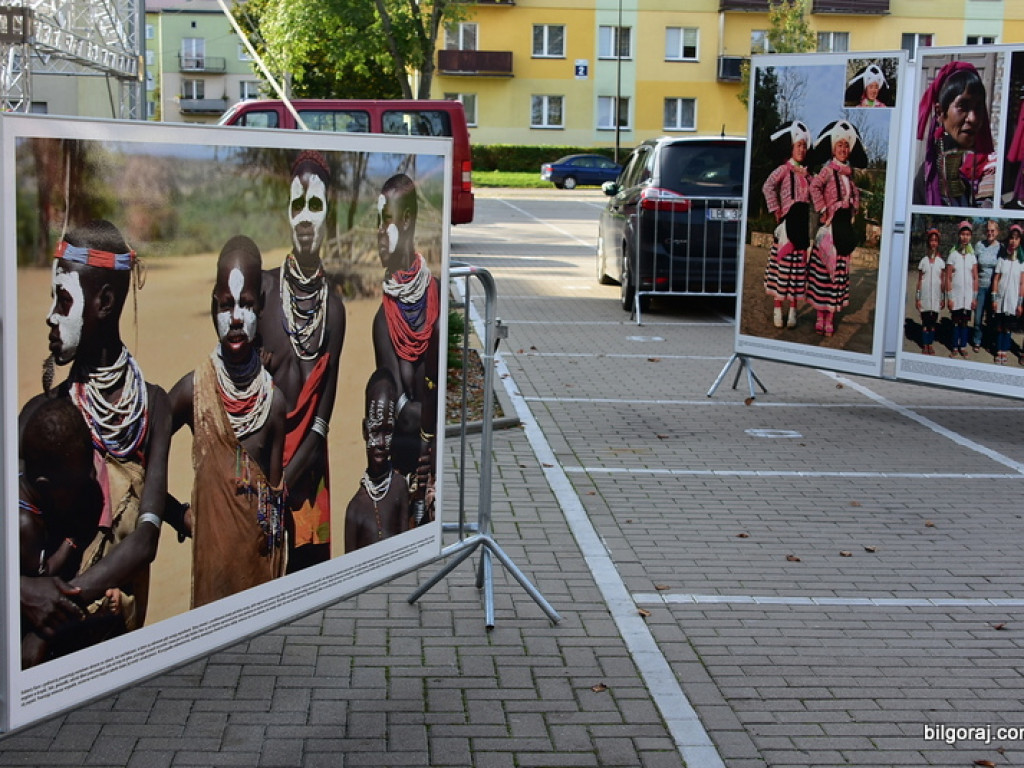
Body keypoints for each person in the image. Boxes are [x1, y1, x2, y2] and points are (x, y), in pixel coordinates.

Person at [19, 220, 171, 656]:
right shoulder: (43, 418)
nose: (50, 315)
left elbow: (144, 540)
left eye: (63, 299)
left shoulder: (152, 408)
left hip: (112, 626)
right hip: (47, 639)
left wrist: (62, 597)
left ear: (104, 302)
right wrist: (26, 591)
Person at [169, 236, 287, 606]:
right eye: (226, 305)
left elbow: (274, 495)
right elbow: (144, 455)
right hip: (212, 576)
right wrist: (179, 515)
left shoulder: (273, 402)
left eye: (247, 304)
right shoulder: (194, 391)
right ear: (212, 308)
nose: (235, 317)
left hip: (259, 575)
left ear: (262, 306)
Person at [259, 151, 346, 571]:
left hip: (311, 475)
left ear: (329, 213)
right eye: (298, 207)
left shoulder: (336, 309)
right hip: (259, 470)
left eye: (315, 206)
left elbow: (322, 419)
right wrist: (267, 484)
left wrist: (286, 483)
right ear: (287, 214)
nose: (306, 218)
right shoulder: (261, 292)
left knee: (308, 578)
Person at [19, 398, 112, 667]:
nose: (86, 487)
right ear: (45, 487)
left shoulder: (23, 482)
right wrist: (72, 541)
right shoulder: (26, 525)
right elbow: (43, 577)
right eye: (76, 485)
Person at [372, 173, 441, 527]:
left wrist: (437, 444)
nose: (380, 234)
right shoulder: (383, 320)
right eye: (376, 224)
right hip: (404, 473)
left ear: (409, 221)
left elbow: (454, 390)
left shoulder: (440, 296)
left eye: (387, 222)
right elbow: (400, 411)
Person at [806, 120, 868, 338]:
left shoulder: (849, 175)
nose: (843, 150)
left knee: (838, 275)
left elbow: (855, 194)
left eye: (846, 146)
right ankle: (820, 316)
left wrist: (855, 208)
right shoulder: (827, 171)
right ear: (833, 148)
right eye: (839, 146)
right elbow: (814, 186)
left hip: (844, 228)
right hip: (830, 228)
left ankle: (830, 316)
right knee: (824, 273)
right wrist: (823, 207)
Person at [344, 368, 410, 552]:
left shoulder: (399, 487)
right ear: (365, 431)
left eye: (388, 432)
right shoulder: (355, 508)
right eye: (375, 431)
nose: (381, 443)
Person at [914, 60, 995, 207]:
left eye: (978, 108)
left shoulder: (963, 185)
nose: (973, 118)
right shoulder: (926, 182)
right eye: (962, 106)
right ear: (940, 112)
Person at [762, 120, 812, 329]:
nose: (801, 149)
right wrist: (776, 209)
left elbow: (818, 194)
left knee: (797, 271)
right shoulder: (783, 169)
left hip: (802, 228)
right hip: (786, 226)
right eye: (798, 145)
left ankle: (792, 311)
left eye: (804, 146)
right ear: (792, 147)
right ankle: (777, 309)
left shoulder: (809, 175)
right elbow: (767, 187)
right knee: (782, 269)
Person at [990, 223, 1024, 365]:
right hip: (1000, 299)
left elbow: (1022, 284)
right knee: (1000, 326)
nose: (1013, 241)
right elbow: (996, 279)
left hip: (1013, 300)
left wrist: (1020, 303)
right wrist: (994, 298)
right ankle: (999, 351)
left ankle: (1005, 349)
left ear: (1020, 241)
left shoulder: (1021, 262)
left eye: (1016, 238)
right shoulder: (1002, 260)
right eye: (1011, 238)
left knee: (1008, 327)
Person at [945, 220, 979, 358]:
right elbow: (948, 278)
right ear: (959, 235)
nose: (965, 237)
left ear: (971, 236)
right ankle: (954, 346)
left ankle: (963, 346)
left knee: (965, 322)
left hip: (968, 297)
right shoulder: (953, 255)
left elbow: (975, 278)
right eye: (963, 234)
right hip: (956, 296)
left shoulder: (972, 256)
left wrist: (974, 298)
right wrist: (950, 297)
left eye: (968, 234)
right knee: (955, 321)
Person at [972, 220, 1004, 352]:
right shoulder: (979, 245)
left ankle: (989, 340)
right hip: (980, 286)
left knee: (991, 317)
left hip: (994, 288)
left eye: (993, 230)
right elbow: (974, 266)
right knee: (978, 317)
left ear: (997, 232)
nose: (990, 233)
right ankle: (977, 340)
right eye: (988, 230)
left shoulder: (1001, 247)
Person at [915, 228, 946, 356]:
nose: (933, 243)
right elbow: (919, 280)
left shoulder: (941, 262)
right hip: (925, 297)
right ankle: (925, 344)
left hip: (936, 297)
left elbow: (943, 281)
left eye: (936, 241)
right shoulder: (923, 261)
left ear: (938, 243)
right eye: (931, 240)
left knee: (933, 323)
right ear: (928, 242)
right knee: (925, 322)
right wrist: (918, 298)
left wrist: (943, 297)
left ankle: (930, 344)